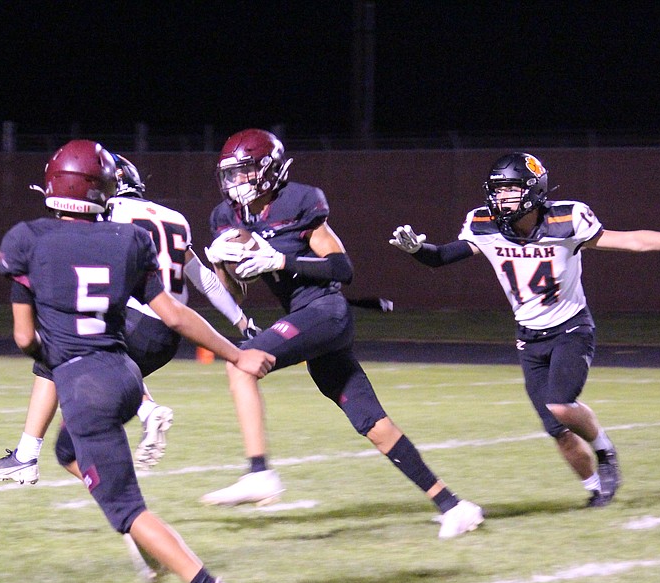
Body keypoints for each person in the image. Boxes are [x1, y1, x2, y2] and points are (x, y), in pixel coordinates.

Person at [0, 138, 275, 583]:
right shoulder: (128, 241)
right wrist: (237, 350)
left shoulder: (26, 239)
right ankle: (145, 534)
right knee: (69, 455)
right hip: (125, 374)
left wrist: (58, 357)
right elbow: (175, 312)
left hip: (86, 388)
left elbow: (24, 338)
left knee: (128, 509)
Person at [200, 128, 484, 539]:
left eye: (243, 172)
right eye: (231, 174)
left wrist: (280, 259)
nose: (235, 182)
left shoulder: (297, 201)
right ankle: (454, 506)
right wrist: (223, 265)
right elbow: (234, 296)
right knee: (372, 422)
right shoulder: (226, 218)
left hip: (325, 312)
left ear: (267, 170)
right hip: (308, 320)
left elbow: (341, 269)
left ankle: (259, 472)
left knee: (241, 364)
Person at [389, 152, 660, 508]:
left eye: (510, 189)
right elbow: (442, 256)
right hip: (528, 336)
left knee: (561, 406)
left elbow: (628, 240)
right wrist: (417, 250)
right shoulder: (484, 223)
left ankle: (605, 450)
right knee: (557, 430)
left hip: (571, 326)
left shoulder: (567, 218)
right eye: (498, 190)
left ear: (534, 190)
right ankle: (597, 489)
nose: (501, 197)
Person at [0, 153, 262, 483]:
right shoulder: (176, 218)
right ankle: (132, 433)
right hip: (167, 333)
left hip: (135, 317)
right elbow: (203, 279)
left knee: (60, 349)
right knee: (72, 432)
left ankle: (29, 456)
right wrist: (241, 320)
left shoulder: (111, 212)